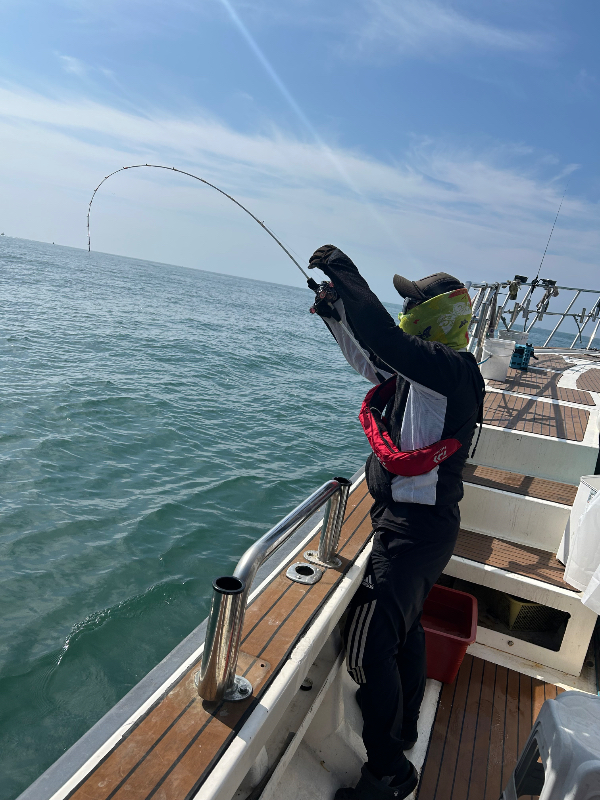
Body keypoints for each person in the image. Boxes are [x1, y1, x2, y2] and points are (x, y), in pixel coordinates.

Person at [308, 245, 485, 800]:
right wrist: (336, 314)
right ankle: (405, 729)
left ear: (439, 314)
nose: (405, 309)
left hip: (413, 533)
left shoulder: (450, 370)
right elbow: (371, 361)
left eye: (412, 302)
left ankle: (389, 770)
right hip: (414, 525)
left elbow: (384, 339)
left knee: (366, 649)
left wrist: (344, 272)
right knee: (404, 630)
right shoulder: (432, 370)